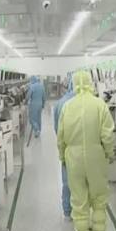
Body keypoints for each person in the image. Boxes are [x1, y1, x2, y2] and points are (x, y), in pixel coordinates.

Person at [57, 71, 115, 231]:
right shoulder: (100, 105)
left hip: (73, 158)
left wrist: (62, 156)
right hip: (96, 156)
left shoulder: (67, 106)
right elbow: (108, 134)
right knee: (99, 197)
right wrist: (109, 153)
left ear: (73, 84)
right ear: (91, 82)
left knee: (78, 197)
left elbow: (61, 136)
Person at [52, 77, 75, 220]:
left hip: (67, 147)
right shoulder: (86, 103)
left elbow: (57, 128)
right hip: (84, 149)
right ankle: (81, 212)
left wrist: (61, 145)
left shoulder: (60, 103)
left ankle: (67, 211)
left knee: (67, 180)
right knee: (82, 182)